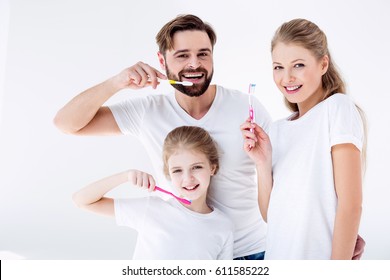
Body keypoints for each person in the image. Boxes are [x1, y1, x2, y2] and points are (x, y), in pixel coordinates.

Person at [54, 14, 272, 259]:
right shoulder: (147, 112)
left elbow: (278, 179)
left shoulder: (247, 108)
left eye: (203, 54)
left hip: (253, 251)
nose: (194, 64)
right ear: (162, 60)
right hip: (187, 253)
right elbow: (66, 123)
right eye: (182, 55)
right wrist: (117, 83)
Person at [241, 18, 367, 259]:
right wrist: (262, 162)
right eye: (278, 67)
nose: (286, 77)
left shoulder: (337, 108)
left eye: (298, 65)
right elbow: (271, 215)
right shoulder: (276, 130)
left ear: (323, 64)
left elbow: (351, 205)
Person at [72, 126, 234, 260]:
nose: (188, 178)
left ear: (212, 167)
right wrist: (125, 176)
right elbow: (82, 200)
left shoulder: (223, 226)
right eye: (177, 170)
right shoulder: (151, 209)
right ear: (169, 174)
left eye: (196, 167)